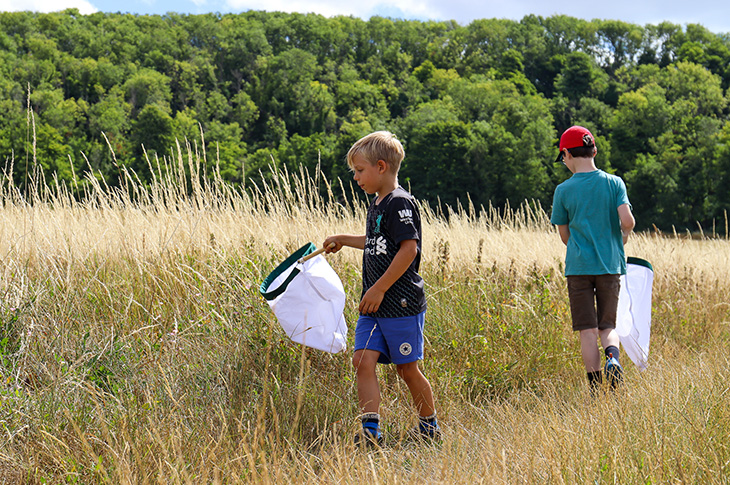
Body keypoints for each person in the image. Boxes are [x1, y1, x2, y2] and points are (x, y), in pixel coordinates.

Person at [323, 131, 440, 446]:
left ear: (381, 166)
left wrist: (378, 289)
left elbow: (408, 250)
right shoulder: (376, 203)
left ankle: (430, 428)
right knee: (362, 360)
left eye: (360, 171)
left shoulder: (400, 203)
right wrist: (344, 240)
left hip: (400, 303)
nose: (356, 178)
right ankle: (370, 434)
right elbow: (376, 241)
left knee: (407, 370)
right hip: (373, 307)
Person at [550, 126, 636, 392]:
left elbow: (564, 235)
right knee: (607, 326)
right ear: (594, 150)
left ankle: (596, 390)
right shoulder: (614, 183)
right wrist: (620, 239)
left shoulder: (563, 191)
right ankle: (613, 357)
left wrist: (579, 245)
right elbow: (628, 221)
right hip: (610, 266)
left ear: (566, 154)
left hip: (578, 269)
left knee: (587, 330)